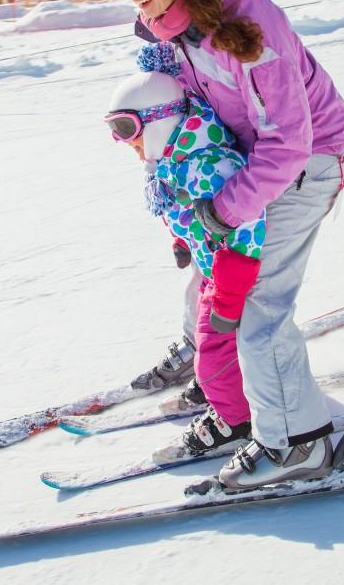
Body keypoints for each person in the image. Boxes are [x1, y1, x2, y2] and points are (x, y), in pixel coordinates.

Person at [104, 0, 344, 490]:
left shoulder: (251, 24)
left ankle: (298, 445)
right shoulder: (172, 29)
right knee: (211, 274)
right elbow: (191, 118)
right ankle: (228, 390)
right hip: (253, 157)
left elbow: (289, 142)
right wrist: (188, 207)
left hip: (310, 160)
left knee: (256, 306)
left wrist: (225, 210)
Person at [105, 43, 265, 461]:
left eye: (131, 133)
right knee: (205, 333)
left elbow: (248, 230)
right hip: (216, 273)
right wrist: (183, 241)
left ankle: (234, 422)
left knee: (214, 350)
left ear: (161, 121)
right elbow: (185, 213)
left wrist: (228, 291)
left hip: (235, 280)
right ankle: (222, 387)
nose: (129, 146)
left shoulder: (209, 166)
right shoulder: (177, 161)